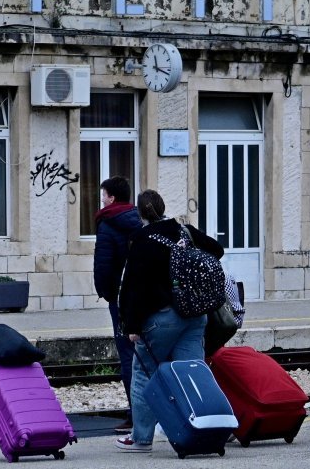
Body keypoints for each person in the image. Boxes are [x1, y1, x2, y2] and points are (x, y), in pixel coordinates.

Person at [114, 189, 224, 452]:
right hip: (195, 316)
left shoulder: (142, 239)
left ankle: (141, 438)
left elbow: (133, 287)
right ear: (163, 208)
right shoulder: (183, 231)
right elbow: (216, 251)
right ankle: (206, 428)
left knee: (144, 373)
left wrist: (131, 325)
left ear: (140, 213)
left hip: (161, 319)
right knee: (193, 373)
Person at [93, 176, 143, 434]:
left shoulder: (107, 223)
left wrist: (106, 292)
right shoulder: (139, 220)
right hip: (145, 297)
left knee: (127, 355)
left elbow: (103, 263)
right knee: (148, 354)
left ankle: (136, 416)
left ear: (111, 197)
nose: (101, 200)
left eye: (103, 195)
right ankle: (151, 412)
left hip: (122, 299)